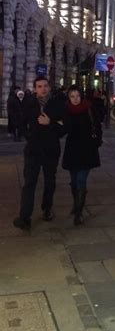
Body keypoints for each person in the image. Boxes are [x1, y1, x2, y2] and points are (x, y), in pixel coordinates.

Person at [13, 76, 67, 231]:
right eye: (39, 86)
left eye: (45, 86)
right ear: (35, 88)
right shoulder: (29, 103)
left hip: (50, 149)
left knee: (49, 181)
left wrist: (50, 123)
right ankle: (25, 217)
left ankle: (47, 208)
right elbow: (20, 123)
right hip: (33, 150)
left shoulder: (57, 104)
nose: (43, 89)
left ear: (49, 87)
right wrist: (28, 135)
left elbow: (64, 129)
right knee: (29, 183)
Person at [63, 86, 102, 225]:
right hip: (72, 150)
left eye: (77, 96)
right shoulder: (66, 109)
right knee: (73, 181)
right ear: (69, 97)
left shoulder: (89, 108)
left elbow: (97, 126)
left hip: (87, 149)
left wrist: (96, 143)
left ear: (81, 96)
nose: (75, 99)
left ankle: (78, 214)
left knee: (81, 180)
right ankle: (76, 204)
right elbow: (63, 130)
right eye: (72, 96)